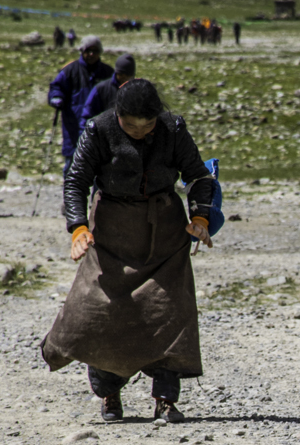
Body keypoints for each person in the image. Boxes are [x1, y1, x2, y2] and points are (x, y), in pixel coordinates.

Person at [41, 79, 216, 424]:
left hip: (164, 232)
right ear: (117, 114)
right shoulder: (98, 129)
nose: (139, 131)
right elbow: (76, 180)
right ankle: (109, 394)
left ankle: (165, 399)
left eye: (148, 125)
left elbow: (199, 176)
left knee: (169, 311)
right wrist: (78, 228)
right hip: (111, 234)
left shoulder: (173, 128)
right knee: (103, 312)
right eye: (131, 124)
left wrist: (200, 217)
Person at [48, 35, 114, 176]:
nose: (91, 54)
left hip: (101, 130)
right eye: (88, 50)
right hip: (74, 128)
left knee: (102, 171)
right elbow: (56, 87)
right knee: (72, 168)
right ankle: (71, 198)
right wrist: (56, 97)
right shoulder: (70, 71)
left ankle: (98, 198)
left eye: (95, 51)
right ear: (81, 51)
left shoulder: (107, 73)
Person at [80, 53, 135, 133]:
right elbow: (88, 114)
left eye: (128, 75)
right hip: (103, 137)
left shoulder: (137, 90)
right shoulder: (101, 89)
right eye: (121, 74)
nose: (124, 78)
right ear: (116, 73)